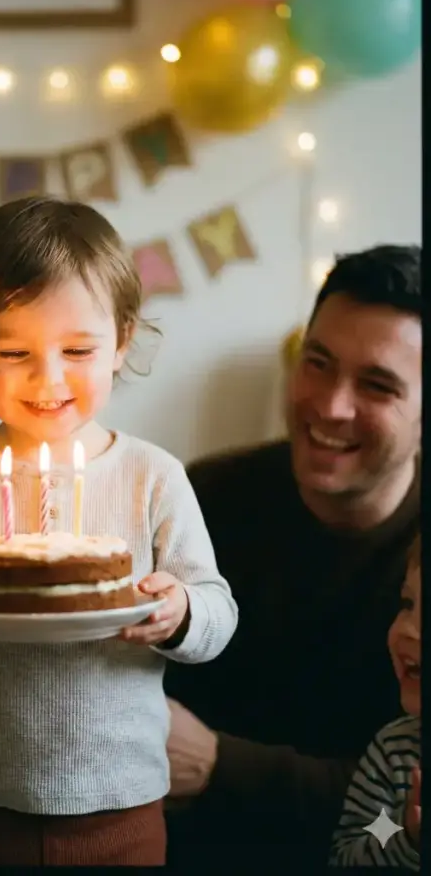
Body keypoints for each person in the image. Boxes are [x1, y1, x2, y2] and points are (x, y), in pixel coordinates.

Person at [0, 196, 239, 866]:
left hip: (120, 803)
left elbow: (216, 611)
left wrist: (179, 611)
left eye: (77, 349)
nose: (49, 378)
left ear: (122, 339)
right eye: (12, 350)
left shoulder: (151, 476)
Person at [162, 244, 421, 870]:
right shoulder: (205, 496)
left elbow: (401, 814)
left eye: (378, 385)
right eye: (318, 363)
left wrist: (225, 767)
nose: (331, 406)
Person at [330, 534, 420, 869]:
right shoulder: (394, 752)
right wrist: (408, 838)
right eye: (408, 604)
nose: (410, 630)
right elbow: (346, 859)